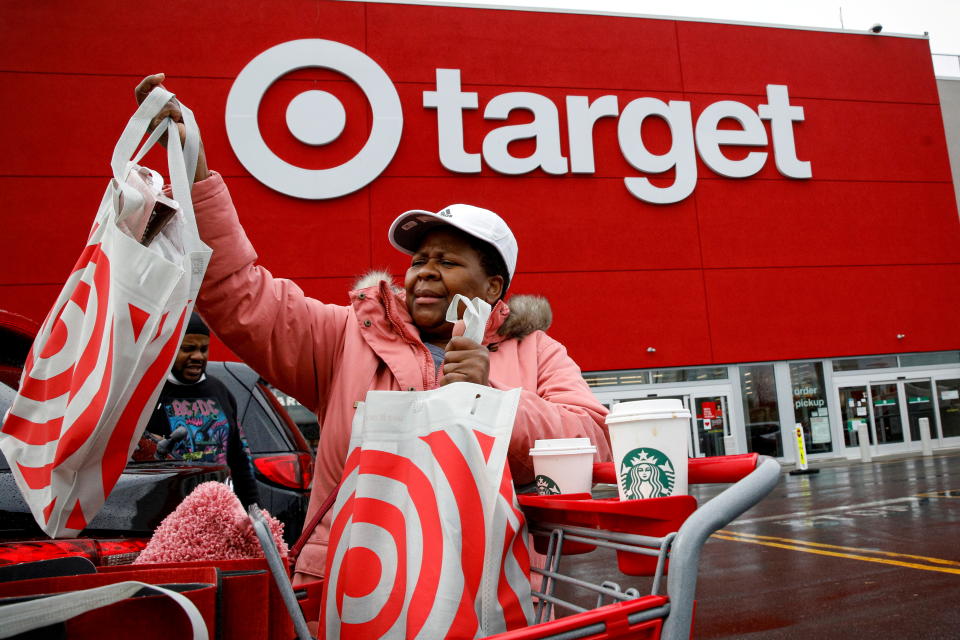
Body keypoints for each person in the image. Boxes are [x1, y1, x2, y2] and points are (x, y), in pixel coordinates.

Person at [134, 74, 612, 585]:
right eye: (420, 259)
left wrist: (492, 401)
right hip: (355, 582)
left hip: (488, 585)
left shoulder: (535, 351)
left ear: (493, 286)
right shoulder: (346, 337)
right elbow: (238, 293)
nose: (425, 271)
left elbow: (592, 440)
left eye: (448, 261)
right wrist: (195, 171)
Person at [144, 312, 259, 509]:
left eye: (203, 349)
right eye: (188, 349)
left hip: (220, 510)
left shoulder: (219, 391)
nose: (198, 356)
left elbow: (240, 459)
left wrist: (253, 510)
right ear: (171, 348)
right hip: (168, 513)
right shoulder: (150, 394)